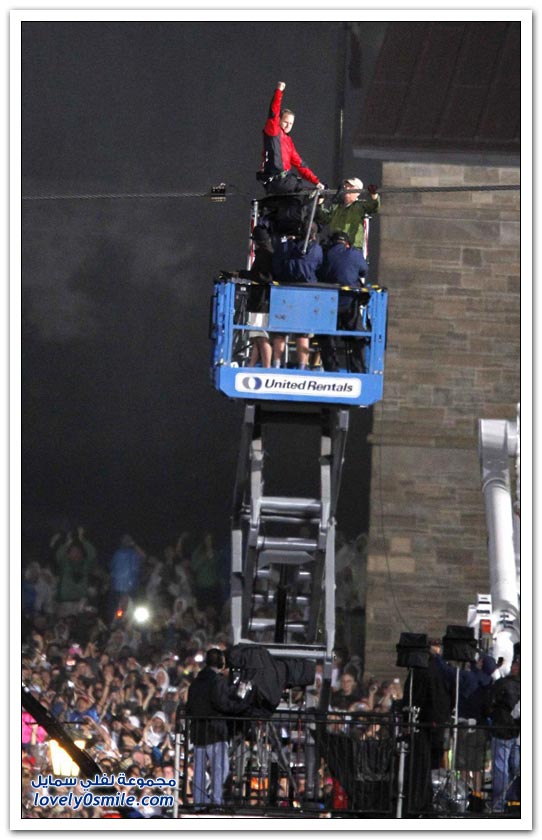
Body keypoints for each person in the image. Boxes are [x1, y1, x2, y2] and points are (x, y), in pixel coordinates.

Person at [185, 648, 250, 808]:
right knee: (220, 768)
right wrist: (241, 704)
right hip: (215, 731)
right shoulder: (217, 681)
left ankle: (199, 802)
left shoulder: (196, 682)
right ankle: (216, 800)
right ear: (221, 662)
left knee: (199, 770)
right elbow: (222, 704)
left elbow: (189, 706)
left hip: (198, 731)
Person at [271, 222, 323, 368]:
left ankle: (276, 364)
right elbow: (319, 266)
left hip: (284, 292)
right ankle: (302, 366)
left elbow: (276, 266)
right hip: (307, 294)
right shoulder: (316, 250)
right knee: (303, 333)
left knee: (280, 331)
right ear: (313, 235)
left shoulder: (285, 247)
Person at [258, 81, 324, 195]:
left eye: (291, 123)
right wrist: (279, 91)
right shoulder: (274, 131)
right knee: (314, 191)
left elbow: (300, 165)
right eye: (286, 122)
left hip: (283, 181)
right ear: (279, 121)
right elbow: (274, 112)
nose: (288, 126)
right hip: (278, 180)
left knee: (296, 202)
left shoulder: (288, 141)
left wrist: (316, 181)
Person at [318, 230, 368, 373]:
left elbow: (319, 272)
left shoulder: (325, 253)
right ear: (347, 243)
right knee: (357, 336)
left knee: (326, 336)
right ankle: (358, 369)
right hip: (350, 302)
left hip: (329, 302)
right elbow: (364, 270)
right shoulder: (354, 254)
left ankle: (331, 369)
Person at [225, 225, 274, 368]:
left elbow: (264, 277)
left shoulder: (264, 255)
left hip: (261, 302)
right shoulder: (267, 253)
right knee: (256, 337)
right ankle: (251, 366)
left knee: (261, 336)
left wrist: (242, 274)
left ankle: (267, 367)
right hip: (259, 301)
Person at [485, 656, 520, 813]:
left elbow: (489, 703)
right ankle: (512, 802)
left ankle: (498, 805)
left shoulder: (503, 684)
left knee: (501, 768)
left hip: (502, 729)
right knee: (514, 767)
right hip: (516, 732)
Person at [316, 178, 380, 254]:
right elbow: (324, 218)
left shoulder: (360, 206)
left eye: (351, 187)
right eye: (346, 186)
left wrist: (374, 194)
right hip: (335, 246)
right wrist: (320, 202)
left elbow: (374, 207)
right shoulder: (336, 206)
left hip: (352, 247)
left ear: (358, 192)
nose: (347, 188)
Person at [108, 535, 146, 623]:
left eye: (128, 539)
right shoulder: (116, 553)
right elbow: (111, 569)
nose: (126, 541)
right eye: (124, 539)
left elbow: (144, 556)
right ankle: (115, 625)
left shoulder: (135, 553)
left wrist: (134, 544)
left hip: (132, 589)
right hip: (117, 589)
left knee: (134, 613)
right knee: (116, 614)